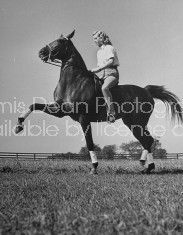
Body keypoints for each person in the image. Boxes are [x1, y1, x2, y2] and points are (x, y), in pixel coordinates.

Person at [91, 30, 120, 123]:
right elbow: (100, 66)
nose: (94, 41)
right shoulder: (98, 52)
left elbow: (111, 62)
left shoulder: (109, 48)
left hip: (111, 74)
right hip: (101, 75)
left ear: (102, 38)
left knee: (104, 88)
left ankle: (111, 113)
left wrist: (98, 69)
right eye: (93, 39)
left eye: (96, 38)